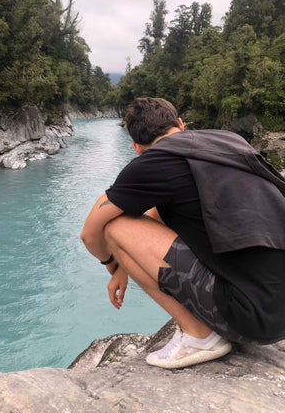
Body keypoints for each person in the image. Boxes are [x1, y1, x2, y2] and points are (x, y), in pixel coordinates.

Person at [80, 97, 285, 369]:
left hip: (256, 319)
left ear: (137, 148)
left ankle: (199, 336)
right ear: (180, 124)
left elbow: (90, 233)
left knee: (115, 226)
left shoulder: (153, 163)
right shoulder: (227, 141)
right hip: (275, 302)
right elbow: (158, 212)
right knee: (154, 210)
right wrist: (124, 267)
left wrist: (111, 261)